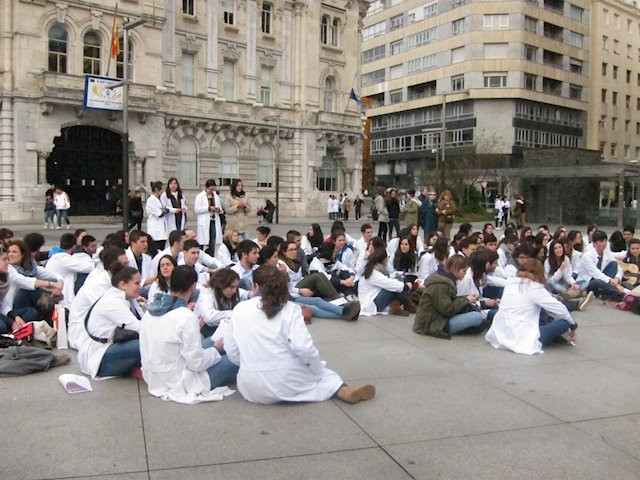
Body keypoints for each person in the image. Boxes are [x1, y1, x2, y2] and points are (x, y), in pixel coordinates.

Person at [224, 266, 376, 405]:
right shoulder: (290, 309)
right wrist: (317, 371)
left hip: (250, 387)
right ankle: (343, 391)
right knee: (327, 375)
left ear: (255, 286)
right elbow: (304, 348)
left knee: (311, 371)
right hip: (285, 381)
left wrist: (248, 363)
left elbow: (230, 348)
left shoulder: (239, 309)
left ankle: (337, 388)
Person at [140, 265, 238, 404]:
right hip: (179, 381)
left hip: (153, 376)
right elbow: (196, 364)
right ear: (193, 287)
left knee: (211, 343)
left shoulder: (150, 311)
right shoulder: (186, 316)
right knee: (235, 357)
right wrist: (216, 349)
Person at [485, 258, 578, 355]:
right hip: (523, 335)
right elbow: (559, 309)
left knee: (541, 309)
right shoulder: (534, 287)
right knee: (564, 323)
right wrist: (573, 325)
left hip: (501, 332)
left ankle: (554, 333)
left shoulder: (510, 282)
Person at [77, 265, 142, 378]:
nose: (140, 287)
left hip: (104, 349)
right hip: (99, 361)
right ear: (123, 285)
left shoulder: (116, 295)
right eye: (137, 283)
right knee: (143, 344)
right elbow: (140, 328)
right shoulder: (114, 302)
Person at [68, 246, 127, 350]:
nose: (128, 268)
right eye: (124, 264)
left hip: (102, 327)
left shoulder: (115, 279)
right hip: (85, 334)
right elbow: (112, 313)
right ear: (113, 267)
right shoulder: (97, 283)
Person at [413, 255, 484, 338]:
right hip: (433, 323)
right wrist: (466, 299)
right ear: (456, 269)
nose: (465, 274)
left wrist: (466, 299)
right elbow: (447, 309)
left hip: (434, 319)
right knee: (477, 317)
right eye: (464, 271)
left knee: (476, 318)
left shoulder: (443, 280)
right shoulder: (441, 285)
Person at [358, 238, 413, 316]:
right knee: (395, 284)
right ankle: (407, 304)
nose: (387, 261)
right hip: (372, 305)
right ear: (382, 261)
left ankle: (399, 305)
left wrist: (404, 280)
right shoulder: (374, 273)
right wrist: (406, 286)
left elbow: (391, 277)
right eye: (386, 260)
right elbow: (388, 283)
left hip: (373, 299)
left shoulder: (374, 269)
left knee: (398, 279)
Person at [44, 233, 94, 312]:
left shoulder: (56, 256)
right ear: (74, 246)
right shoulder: (63, 258)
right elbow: (89, 267)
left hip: (52, 293)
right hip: (61, 298)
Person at [577, 230, 627, 301]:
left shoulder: (606, 252)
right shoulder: (587, 256)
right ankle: (624, 292)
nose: (604, 243)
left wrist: (617, 278)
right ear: (594, 243)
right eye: (601, 241)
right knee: (598, 281)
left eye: (605, 241)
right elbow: (596, 273)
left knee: (613, 264)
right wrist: (612, 282)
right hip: (588, 282)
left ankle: (607, 292)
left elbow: (618, 268)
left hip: (604, 280)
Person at [195, 268, 244, 338]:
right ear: (221, 284)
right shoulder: (206, 294)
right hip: (203, 333)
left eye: (236, 287)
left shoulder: (227, 294)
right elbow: (209, 317)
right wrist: (233, 313)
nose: (234, 291)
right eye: (232, 287)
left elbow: (243, 292)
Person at [194, 179, 223, 256]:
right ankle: (199, 256)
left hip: (214, 220)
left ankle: (211, 257)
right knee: (202, 241)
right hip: (204, 221)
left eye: (213, 189)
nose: (212, 191)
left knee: (212, 241)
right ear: (206, 188)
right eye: (210, 189)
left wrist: (218, 209)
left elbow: (220, 209)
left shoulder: (216, 196)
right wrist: (208, 208)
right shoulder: (200, 196)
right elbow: (197, 209)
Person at [145, 181, 169, 251]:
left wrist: (164, 210)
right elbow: (160, 214)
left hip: (161, 230)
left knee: (162, 249)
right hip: (155, 230)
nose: (162, 191)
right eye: (161, 189)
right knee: (156, 250)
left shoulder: (159, 199)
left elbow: (165, 210)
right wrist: (164, 210)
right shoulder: (151, 200)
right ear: (156, 189)